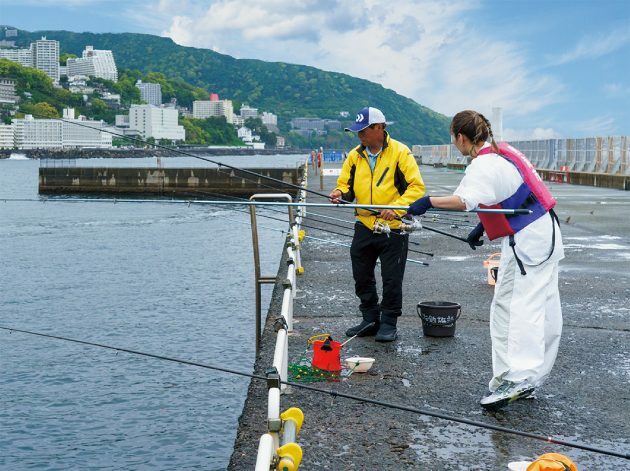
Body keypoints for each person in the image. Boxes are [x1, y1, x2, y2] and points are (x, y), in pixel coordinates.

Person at [406, 110, 564, 409]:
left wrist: (427, 202)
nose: (455, 144)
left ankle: (517, 378)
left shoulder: (482, 165)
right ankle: (529, 377)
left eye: (454, 139)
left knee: (514, 307)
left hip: (529, 242)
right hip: (544, 233)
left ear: (461, 137)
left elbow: (464, 201)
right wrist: (483, 226)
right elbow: (510, 194)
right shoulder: (503, 152)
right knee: (541, 306)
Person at [329, 106, 425, 342]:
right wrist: (339, 192)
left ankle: (389, 322)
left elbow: (416, 188)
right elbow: (346, 185)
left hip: (394, 228)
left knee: (392, 278)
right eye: (357, 131)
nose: (359, 135)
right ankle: (370, 319)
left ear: (379, 128)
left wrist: (397, 207)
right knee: (361, 276)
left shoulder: (401, 153)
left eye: (363, 130)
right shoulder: (354, 155)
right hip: (364, 225)